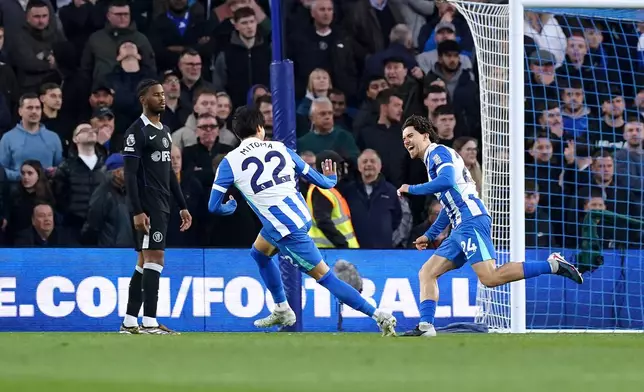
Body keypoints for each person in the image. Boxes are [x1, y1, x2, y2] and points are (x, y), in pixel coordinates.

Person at [208, 106, 397, 336]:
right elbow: (321, 181)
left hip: (286, 229)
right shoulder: (281, 148)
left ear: (237, 134)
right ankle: (281, 308)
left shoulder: (230, 162)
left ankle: (379, 315)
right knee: (259, 253)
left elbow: (213, 206)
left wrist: (230, 207)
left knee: (325, 277)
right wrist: (331, 179)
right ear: (260, 128)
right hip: (297, 217)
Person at [397, 115, 583, 338]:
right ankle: (426, 327)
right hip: (460, 225)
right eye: (404, 138)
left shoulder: (438, 153)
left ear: (425, 135)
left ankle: (553, 265)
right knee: (427, 272)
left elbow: (446, 181)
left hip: (471, 220)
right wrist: (430, 234)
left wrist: (412, 188)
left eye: (411, 135)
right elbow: (449, 203)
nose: (406, 141)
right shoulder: (431, 160)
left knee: (490, 277)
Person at [120, 79, 193, 335]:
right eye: (156, 95)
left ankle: (130, 321)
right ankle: (149, 322)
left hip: (163, 203)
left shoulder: (164, 130)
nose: (162, 98)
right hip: (148, 204)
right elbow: (129, 175)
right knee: (155, 259)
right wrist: (137, 210)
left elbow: (169, 172)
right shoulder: (136, 132)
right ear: (143, 99)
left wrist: (182, 205)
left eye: (163, 94)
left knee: (143, 261)